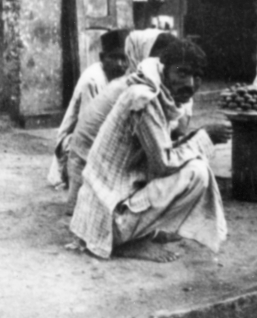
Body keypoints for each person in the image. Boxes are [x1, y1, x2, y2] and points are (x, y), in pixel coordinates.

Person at [70, 39, 230, 262]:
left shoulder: (153, 88)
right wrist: (204, 138)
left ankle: (142, 231)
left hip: (109, 204)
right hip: (108, 217)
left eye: (197, 76)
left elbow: (160, 150)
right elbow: (163, 163)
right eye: (182, 73)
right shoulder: (145, 98)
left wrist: (197, 138)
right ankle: (130, 241)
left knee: (192, 164)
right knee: (197, 172)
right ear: (164, 70)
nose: (190, 84)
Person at [64, 30, 181, 213]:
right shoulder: (136, 90)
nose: (161, 66)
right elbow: (159, 154)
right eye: (157, 59)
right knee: (171, 165)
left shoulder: (130, 81)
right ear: (142, 55)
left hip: (91, 167)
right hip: (92, 174)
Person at [47, 29, 129, 188]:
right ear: (102, 58)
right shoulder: (93, 80)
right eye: (114, 57)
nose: (120, 64)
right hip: (77, 143)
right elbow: (88, 129)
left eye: (124, 58)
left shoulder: (120, 78)